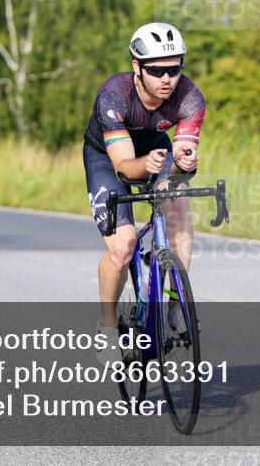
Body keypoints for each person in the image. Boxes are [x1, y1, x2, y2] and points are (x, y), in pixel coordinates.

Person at [83, 22, 204, 356]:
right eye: (156, 71)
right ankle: (108, 323)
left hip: (157, 150)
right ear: (137, 67)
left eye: (174, 69)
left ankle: (176, 306)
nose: (166, 79)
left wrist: (183, 165)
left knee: (177, 205)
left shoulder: (190, 98)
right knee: (123, 247)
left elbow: (180, 163)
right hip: (108, 160)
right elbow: (124, 167)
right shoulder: (113, 95)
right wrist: (146, 165)